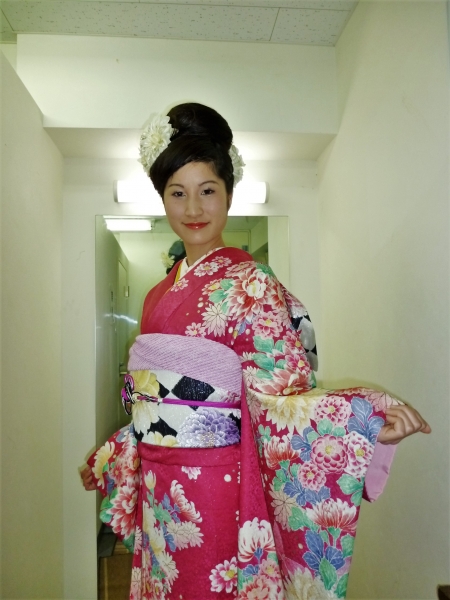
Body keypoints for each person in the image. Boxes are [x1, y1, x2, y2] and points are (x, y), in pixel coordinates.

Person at [81, 103, 430, 600]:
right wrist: (114, 451)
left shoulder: (252, 283)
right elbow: (148, 403)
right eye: (178, 193)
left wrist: (365, 420)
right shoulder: (156, 295)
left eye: (208, 191)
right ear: (162, 198)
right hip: (159, 491)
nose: (193, 209)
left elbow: (283, 398)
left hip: (217, 486)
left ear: (229, 193)